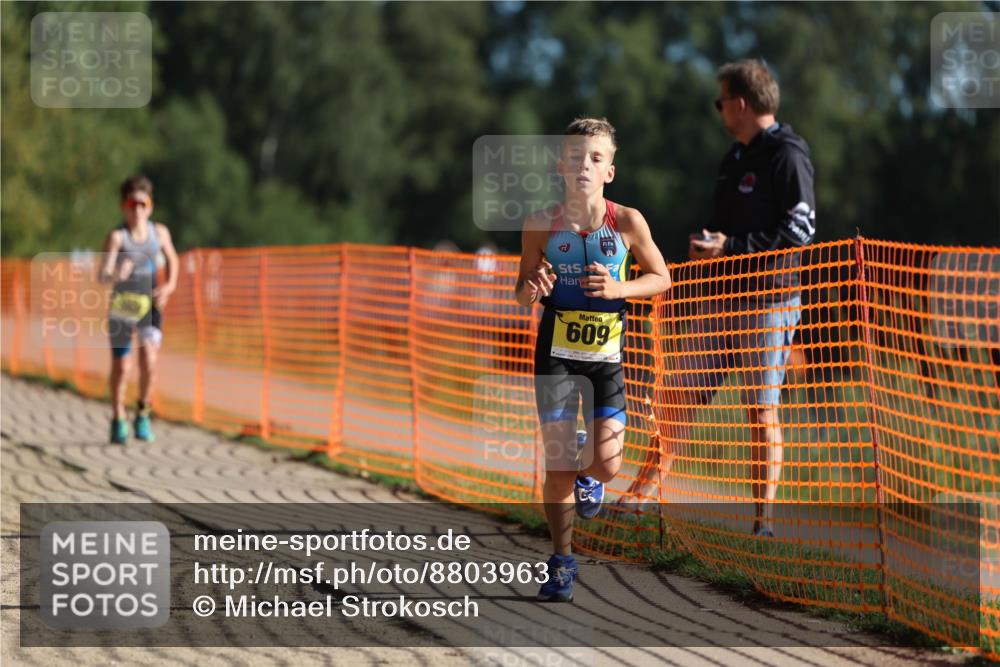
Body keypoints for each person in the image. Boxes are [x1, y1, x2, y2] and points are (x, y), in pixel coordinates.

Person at [515, 118, 671, 602]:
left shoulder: (626, 222)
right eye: (577, 157)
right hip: (557, 356)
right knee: (558, 464)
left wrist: (621, 287)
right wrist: (533, 289)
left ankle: (590, 474)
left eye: (596, 158)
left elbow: (661, 277)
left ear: (610, 171)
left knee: (606, 465)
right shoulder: (541, 223)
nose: (585, 165)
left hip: (606, 357)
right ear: (560, 166)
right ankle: (562, 561)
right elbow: (522, 291)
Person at [668, 59, 816, 537]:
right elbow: (727, 232)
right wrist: (711, 249)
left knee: (760, 410)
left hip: (769, 302)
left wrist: (731, 247)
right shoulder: (733, 160)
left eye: (721, 102)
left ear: (741, 103)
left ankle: (763, 524)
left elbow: (801, 229)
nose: (720, 112)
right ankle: (639, 498)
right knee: (677, 399)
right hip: (718, 301)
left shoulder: (788, 155)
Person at [99, 175, 179, 444]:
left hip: (150, 303)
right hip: (123, 303)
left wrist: (169, 286)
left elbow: (173, 260)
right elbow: (102, 273)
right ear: (124, 206)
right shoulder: (117, 237)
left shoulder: (160, 233)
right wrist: (115, 274)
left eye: (142, 204)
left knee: (149, 361)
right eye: (132, 204)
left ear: (150, 207)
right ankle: (118, 417)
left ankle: (143, 413)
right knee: (122, 366)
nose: (137, 210)